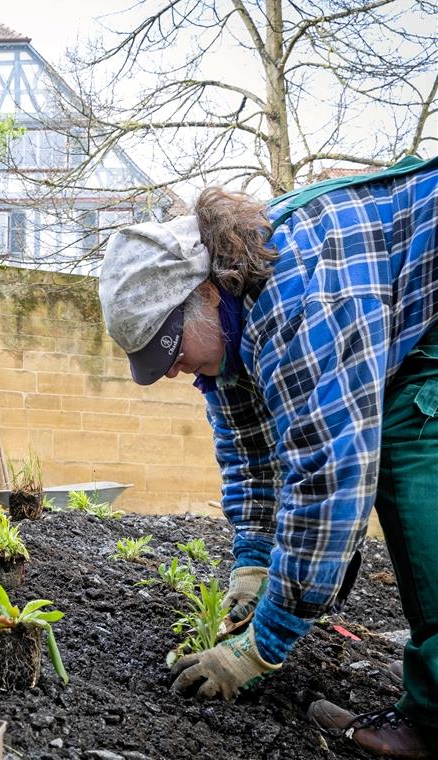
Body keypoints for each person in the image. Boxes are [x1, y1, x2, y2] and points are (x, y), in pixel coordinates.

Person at [97, 158, 438, 759]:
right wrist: (252, 569)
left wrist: (260, 648)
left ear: (201, 292)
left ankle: (435, 723)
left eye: (169, 349)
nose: (172, 369)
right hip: (404, 313)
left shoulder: (296, 302)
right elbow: (250, 458)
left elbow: (330, 482)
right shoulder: (228, 319)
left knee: (411, 479)